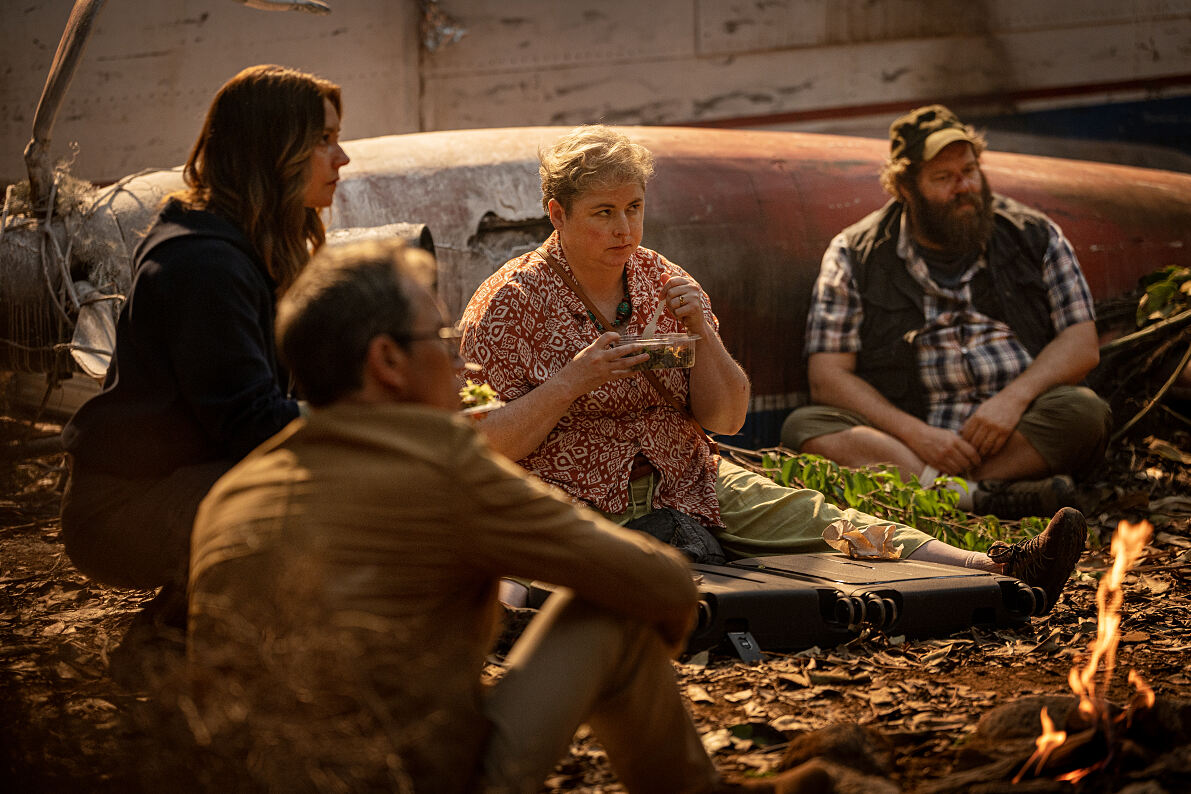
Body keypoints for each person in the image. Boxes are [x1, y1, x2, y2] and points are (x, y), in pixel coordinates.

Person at [186, 238, 833, 794]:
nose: (459, 362)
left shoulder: (237, 489)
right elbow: (660, 583)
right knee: (614, 605)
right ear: (387, 361)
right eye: (440, 339)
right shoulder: (441, 465)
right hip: (411, 780)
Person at [459, 124, 1086, 616]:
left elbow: (727, 418)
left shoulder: (661, 279)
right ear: (557, 214)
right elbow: (479, 448)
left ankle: (997, 566)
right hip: (570, 493)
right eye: (603, 212)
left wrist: (702, 333)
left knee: (825, 517)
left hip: (686, 476)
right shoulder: (510, 304)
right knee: (589, 574)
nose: (625, 228)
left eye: (635, 207)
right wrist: (572, 382)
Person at [59, 64, 350, 627]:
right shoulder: (203, 263)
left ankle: (186, 625)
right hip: (122, 511)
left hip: (182, 483)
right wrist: (372, 418)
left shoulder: (244, 243)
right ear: (272, 149)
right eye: (324, 139)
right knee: (330, 486)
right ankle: (178, 640)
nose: (342, 158)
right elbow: (251, 422)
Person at [781, 104, 1111, 520]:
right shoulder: (854, 254)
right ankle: (978, 498)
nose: (964, 187)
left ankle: (941, 492)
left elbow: (1081, 344)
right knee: (804, 427)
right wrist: (918, 435)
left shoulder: (1034, 234)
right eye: (943, 178)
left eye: (969, 171)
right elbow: (828, 378)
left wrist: (1012, 401)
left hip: (1015, 432)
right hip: (909, 436)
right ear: (905, 187)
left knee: (1085, 413)